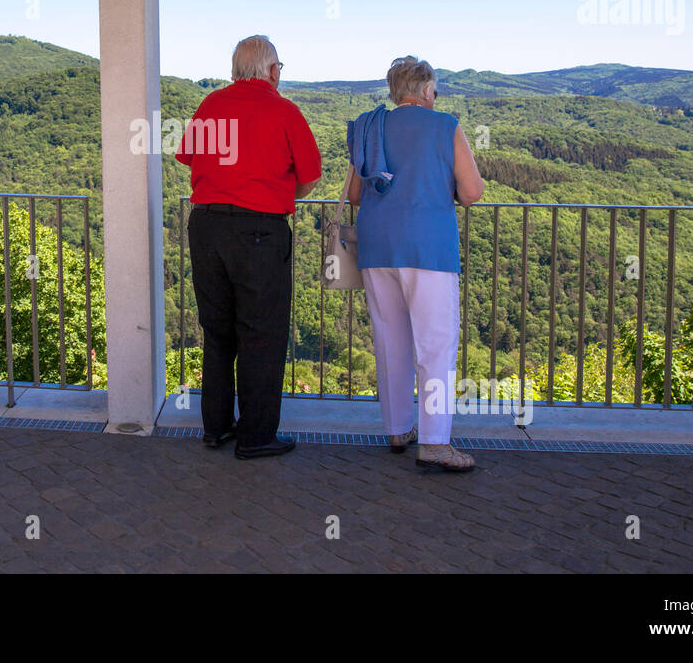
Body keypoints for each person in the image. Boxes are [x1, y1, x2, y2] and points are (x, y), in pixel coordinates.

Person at [176, 36, 322, 459]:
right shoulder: (284, 110)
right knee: (262, 334)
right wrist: (282, 194)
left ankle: (215, 428)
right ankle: (256, 436)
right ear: (272, 70)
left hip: (206, 227)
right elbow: (310, 174)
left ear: (236, 69)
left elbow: (189, 158)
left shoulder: (210, 106)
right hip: (259, 231)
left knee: (218, 331)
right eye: (280, 68)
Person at [347, 56, 484, 472]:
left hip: (377, 247)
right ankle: (436, 442)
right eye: (435, 90)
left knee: (391, 341)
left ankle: (397, 428)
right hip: (429, 250)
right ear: (427, 92)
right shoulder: (446, 126)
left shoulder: (371, 126)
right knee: (436, 346)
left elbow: (355, 195)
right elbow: (473, 192)